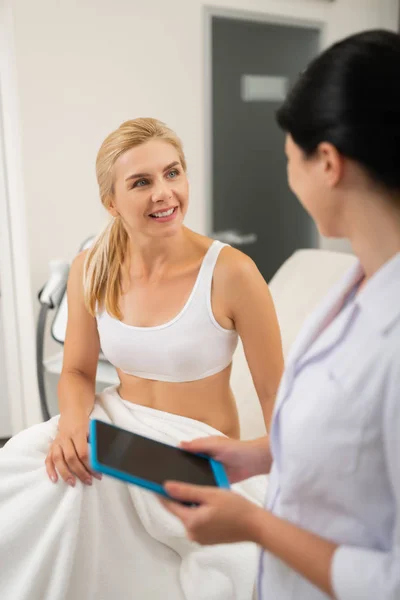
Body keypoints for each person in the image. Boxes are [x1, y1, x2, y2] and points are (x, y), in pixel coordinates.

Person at [0, 117, 283, 600]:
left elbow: (277, 394)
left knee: (95, 508)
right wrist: (71, 425)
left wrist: (283, 468)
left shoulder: (232, 273)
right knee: (28, 477)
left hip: (192, 454)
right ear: (111, 202)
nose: (164, 193)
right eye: (141, 182)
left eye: (173, 173)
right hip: (117, 432)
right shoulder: (92, 267)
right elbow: (76, 370)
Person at [162, 29, 400, 600]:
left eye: (289, 159)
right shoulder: (355, 280)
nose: (288, 176)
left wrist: (254, 525)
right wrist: (259, 456)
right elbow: (357, 441)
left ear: (327, 163)